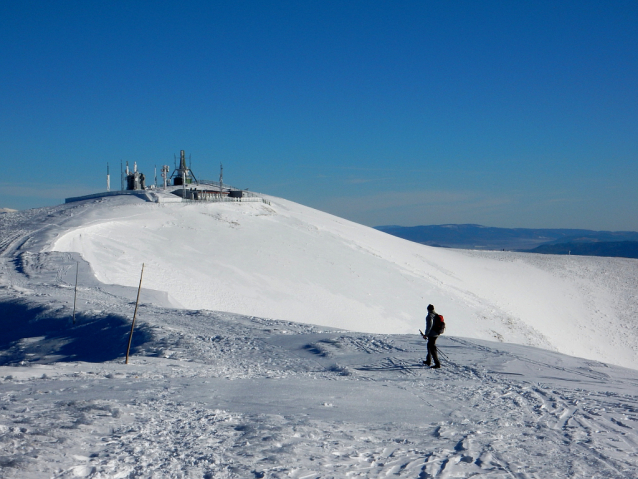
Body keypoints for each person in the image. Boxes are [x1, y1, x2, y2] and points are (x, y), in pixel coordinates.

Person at [423, 304, 441, 368]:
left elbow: (429, 326)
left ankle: (437, 364)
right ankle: (428, 361)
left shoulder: (429, 316)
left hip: (432, 334)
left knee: (432, 348)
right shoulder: (436, 315)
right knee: (429, 346)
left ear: (428, 309)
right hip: (436, 333)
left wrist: (426, 334)